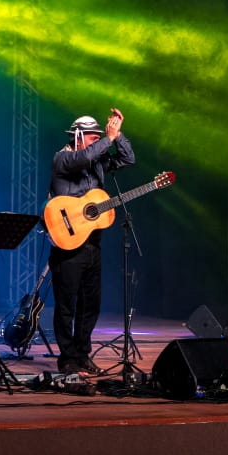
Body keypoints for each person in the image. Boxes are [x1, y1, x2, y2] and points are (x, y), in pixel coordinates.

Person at [48, 109, 134, 376]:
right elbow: (83, 157)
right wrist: (106, 140)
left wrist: (117, 135)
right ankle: (67, 358)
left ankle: (82, 354)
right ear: (78, 136)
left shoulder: (96, 162)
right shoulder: (63, 158)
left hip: (92, 244)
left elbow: (128, 158)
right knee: (66, 305)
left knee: (91, 304)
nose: (97, 141)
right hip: (67, 245)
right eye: (92, 137)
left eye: (99, 136)